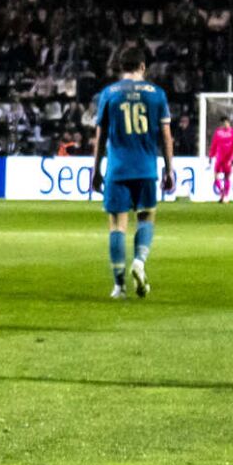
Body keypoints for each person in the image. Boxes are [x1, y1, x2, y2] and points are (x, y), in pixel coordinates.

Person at [89, 46, 174, 299]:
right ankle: (139, 261)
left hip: (117, 168)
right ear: (143, 67)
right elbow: (166, 136)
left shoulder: (109, 94)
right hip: (146, 167)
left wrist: (96, 170)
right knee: (146, 218)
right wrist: (169, 169)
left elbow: (100, 135)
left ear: (120, 67)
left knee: (117, 226)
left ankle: (119, 287)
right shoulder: (156, 94)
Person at [209, 116, 233, 203]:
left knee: (227, 177)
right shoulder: (218, 132)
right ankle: (222, 193)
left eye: (226, 122)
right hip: (219, 158)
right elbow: (214, 144)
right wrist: (211, 155)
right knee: (216, 176)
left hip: (228, 158)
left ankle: (225, 196)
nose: (225, 124)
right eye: (223, 123)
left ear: (229, 122)